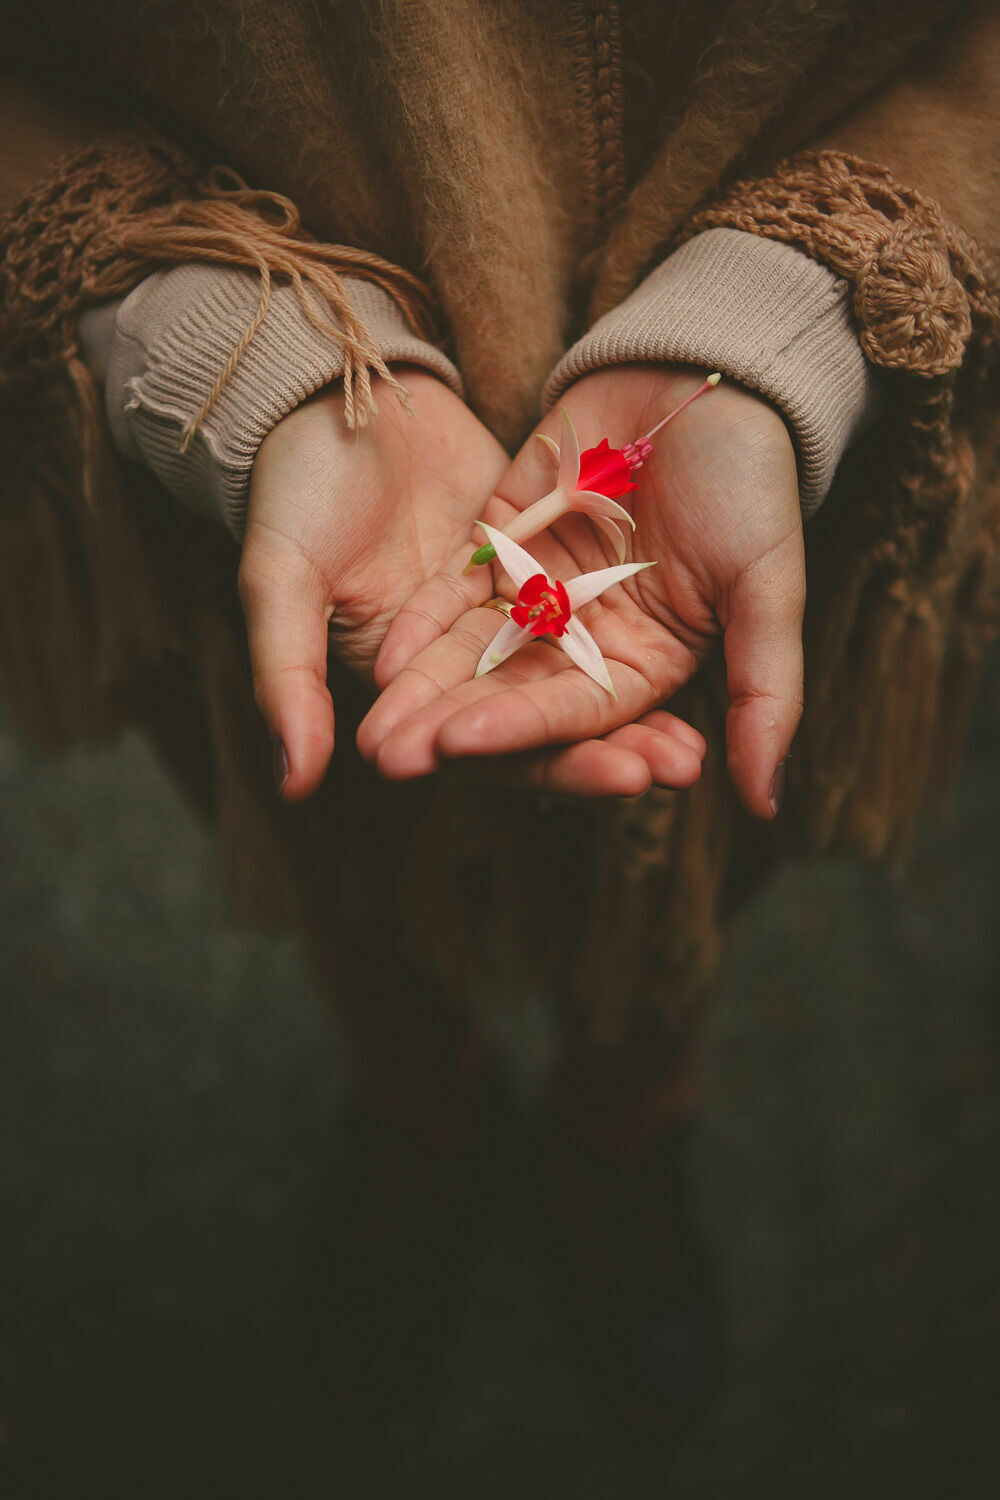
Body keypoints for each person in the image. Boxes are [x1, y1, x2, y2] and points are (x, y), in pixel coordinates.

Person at [2, 0, 998, 1416]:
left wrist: (786, 322)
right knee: (346, 855)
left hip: (799, 488)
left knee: (706, 865)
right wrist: (233, 345)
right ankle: (420, 1106)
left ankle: (621, 1129)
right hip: (270, 502)